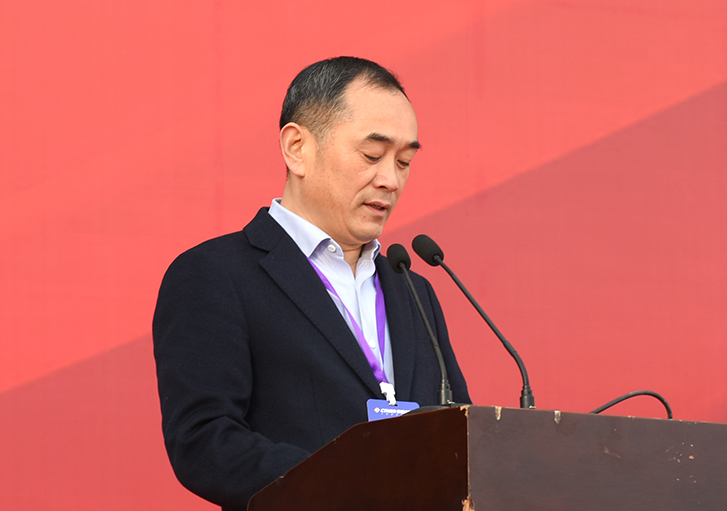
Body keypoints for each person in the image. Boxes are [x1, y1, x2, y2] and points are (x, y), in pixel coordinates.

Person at [153, 56, 470, 510]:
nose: (391, 180)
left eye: (404, 161)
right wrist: (350, 487)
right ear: (297, 148)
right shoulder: (215, 274)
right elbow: (204, 441)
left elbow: (459, 435)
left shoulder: (413, 291)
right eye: (372, 155)